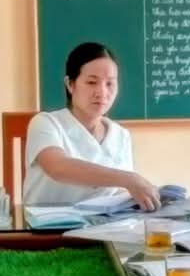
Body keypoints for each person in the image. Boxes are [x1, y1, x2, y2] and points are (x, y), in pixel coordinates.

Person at [23, 43, 161, 211]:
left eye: (109, 84)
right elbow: (58, 167)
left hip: (105, 224)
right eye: (91, 82)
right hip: (49, 224)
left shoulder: (121, 135)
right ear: (70, 84)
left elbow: (120, 195)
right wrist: (129, 179)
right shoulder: (46, 123)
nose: (101, 92)